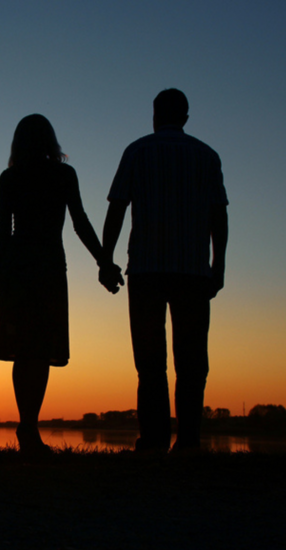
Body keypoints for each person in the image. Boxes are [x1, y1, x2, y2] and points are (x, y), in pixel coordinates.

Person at [98, 88, 229, 453]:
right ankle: (188, 441)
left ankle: (154, 441)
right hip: (192, 271)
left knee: (150, 363)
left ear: (154, 115)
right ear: (185, 117)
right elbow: (219, 216)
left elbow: (117, 208)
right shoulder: (207, 156)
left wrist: (106, 260)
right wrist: (218, 265)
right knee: (192, 362)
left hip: (147, 270)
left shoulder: (137, 151)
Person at [0, 114, 118, 454]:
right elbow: (80, 222)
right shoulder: (62, 174)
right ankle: (28, 428)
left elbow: (4, 230)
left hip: (21, 268)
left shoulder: (10, 177)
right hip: (47, 268)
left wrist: (0, 273)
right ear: (50, 141)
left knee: (26, 350)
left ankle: (28, 426)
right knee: (39, 349)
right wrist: (103, 261)